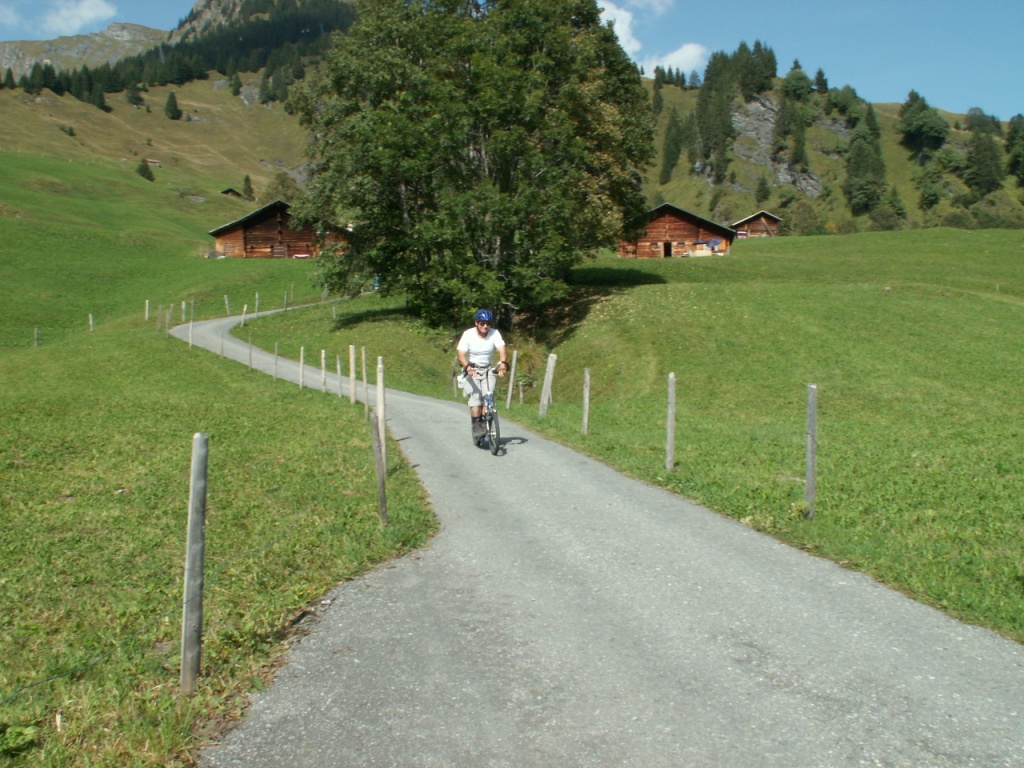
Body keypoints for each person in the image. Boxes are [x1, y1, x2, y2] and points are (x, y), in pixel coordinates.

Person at [457, 308, 508, 443]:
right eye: (482, 323)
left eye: (488, 323)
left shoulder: (494, 333)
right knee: (476, 401)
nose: (485, 326)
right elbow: (461, 354)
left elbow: (502, 350)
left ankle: (487, 422)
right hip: (471, 370)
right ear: (476, 323)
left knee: (488, 398)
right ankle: (478, 428)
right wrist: (467, 367)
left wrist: (503, 364)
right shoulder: (468, 335)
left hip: (487, 370)